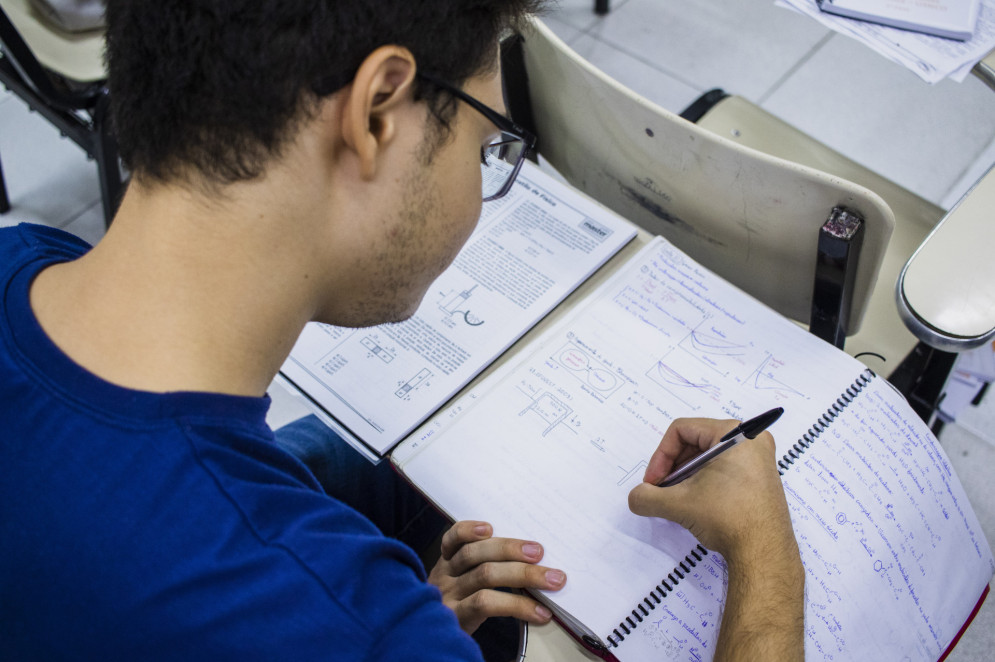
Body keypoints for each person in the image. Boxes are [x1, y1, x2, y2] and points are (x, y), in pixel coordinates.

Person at [0, 1, 802, 660]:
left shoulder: (19, 259)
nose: (482, 181)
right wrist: (763, 551)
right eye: (486, 148)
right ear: (379, 112)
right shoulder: (348, 623)